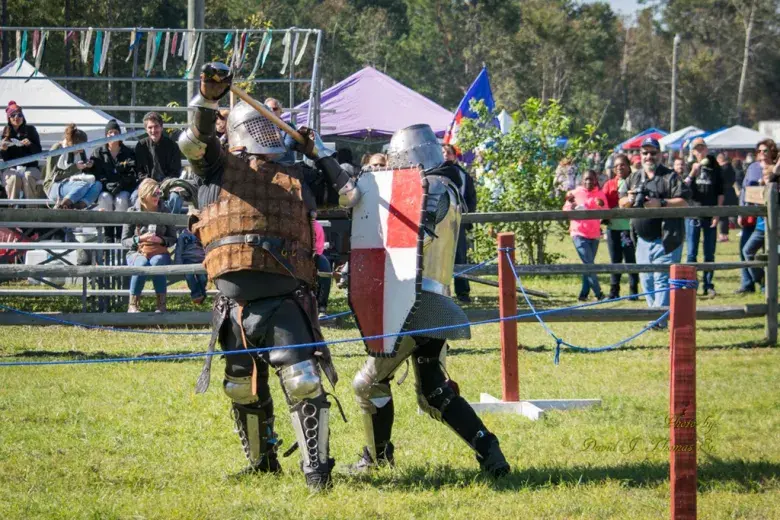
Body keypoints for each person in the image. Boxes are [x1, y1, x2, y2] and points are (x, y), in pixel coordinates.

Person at [177, 62, 361, 490]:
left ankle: (316, 471)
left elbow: (351, 194)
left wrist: (318, 153)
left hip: (284, 301)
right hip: (232, 304)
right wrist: (207, 97)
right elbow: (195, 140)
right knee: (240, 387)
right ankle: (262, 463)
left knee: (302, 380)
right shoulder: (218, 169)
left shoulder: (300, 175)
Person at [349, 124, 510, 478]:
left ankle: (375, 459)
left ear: (407, 157)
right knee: (433, 391)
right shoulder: (450, 184)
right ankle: (489, 449)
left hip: (413, 303)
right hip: (432, 300)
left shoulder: (433, 187)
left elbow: (413, 237)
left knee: (368, 383)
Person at [619, 137, 690, 330]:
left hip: (666, 238)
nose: (649, 156)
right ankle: (655, 316)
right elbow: (621, 201)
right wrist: (629, 199)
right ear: (640, 155)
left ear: (660, 155)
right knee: (646, 279)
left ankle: (659, 320)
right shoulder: (634, 177)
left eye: (653, 152)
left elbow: (684, 202)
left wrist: (662, 203)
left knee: (662, 278)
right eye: (645, 153)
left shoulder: (671, 176)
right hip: (641, 238)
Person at [121, 178, 176, 313]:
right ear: (144, 195)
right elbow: (124, 240)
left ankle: (161, 305)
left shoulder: (165, 211)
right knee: (141, 264)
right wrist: (139, 239)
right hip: (137, 251)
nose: (157, 197)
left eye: (159, 193)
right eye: (154, 194)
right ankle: (133, 305)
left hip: (160, 250)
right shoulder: (132, 211)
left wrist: (161, 240)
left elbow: (173, 238)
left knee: (157, 263)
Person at [684, 137, 724, 297]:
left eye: (702, 148)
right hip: (693, 214)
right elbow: (684, 188)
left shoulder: (715, 167)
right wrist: (693, 171)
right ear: (693, 152)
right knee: (691, 252)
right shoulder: (688, 166)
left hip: (710, 214)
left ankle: (708, 285)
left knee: (709, 253)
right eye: (697, 149)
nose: (700, 151)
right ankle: (690, 285)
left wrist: (717, 213)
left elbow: (721, 192)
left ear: (706, 150)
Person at [735, 140, 777, 294]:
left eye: (765, 150)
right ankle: (751, 283)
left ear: (772, 151)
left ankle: (766, 286)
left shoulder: (775, 168)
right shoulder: (752, 167)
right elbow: (745, 191)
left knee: (770, 253)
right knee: (745, 250)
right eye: (759, 151)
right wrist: (741, 211)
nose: (762, 154)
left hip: (772, 221)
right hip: (753, 217)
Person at [564, 170, 607, 301]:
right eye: (586, 179)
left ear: (596, 180)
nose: (589, 182)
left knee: (588, 264)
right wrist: (571, 204)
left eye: (591, 179)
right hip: (578, 233)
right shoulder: (575, 193)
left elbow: (606, 212)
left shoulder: (600, 194)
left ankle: (583, 293)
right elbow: (566, 210)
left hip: (594, 234)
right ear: (582, 180)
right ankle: (599, 294)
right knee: (589, 264)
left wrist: (601, 205)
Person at [442, 143, 477, 303]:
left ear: (454, 156)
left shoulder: (463, 175)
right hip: (438, 222)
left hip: (457, 222)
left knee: (460, 258)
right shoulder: (434, 173)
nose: (445, 155)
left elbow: (471, 199)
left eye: (448, 153)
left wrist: (465, 218)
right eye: (442, 152)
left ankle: (463, 293)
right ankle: (439, 294)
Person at [602, 154, 638, 300]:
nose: (619, 168)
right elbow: (602, 202)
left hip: (629, 227)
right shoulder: (609, 184)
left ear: (628, 166)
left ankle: (633, 292)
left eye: (622, 164)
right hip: (613, 228)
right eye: (616, 166)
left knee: (630, 260)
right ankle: (613, 292)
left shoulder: (635, 181)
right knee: (615, 260)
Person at [133, 112, 184, 213]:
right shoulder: (141, 146)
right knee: (134, 197)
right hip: (147, 185)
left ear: (161, 127)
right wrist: (151, 186)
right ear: (146, 129)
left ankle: (169, 227)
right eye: (150, 127)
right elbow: (139, 172)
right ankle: (142, 226)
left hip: (167, 185)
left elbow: (175, 172)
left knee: (176, 198)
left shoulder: (172, 146)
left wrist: (162, 185)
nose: (153, 130)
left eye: (156, 127)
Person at [43, 124, 103, 209]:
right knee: (83, 184)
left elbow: (83, 174)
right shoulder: (58, 148)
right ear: (71, 143)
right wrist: (75, 168)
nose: (82, 149)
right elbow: (53, 176)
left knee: (98, 184)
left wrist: (89, 166)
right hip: (54, 186)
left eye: (84, 145)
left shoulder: (81, 151)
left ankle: (76, 207)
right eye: (80, 145)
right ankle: (61, 207)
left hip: (76, 185)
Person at [1, 101, 43, 200]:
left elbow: (39, 152)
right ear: (9, 119)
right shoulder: (5, 131)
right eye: (13, 115)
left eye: (19, 115)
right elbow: (5, 159)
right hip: (11, 167)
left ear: (23, 117)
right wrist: (3, 150)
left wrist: (30, 145)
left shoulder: (31, 130)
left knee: (28, 176)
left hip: (30, 167)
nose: (17, 117)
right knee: (13, 178)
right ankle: (13, 207)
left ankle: (31, 208)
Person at [92, 119, 137, 213]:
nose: (113, 135)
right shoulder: (98, 152)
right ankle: (108, 227)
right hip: (104, 189)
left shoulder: (128, 152)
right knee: (105, 198)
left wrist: (121, 184)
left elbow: (132, 173)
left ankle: (121, 227)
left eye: (116, 132)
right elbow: (96, 173)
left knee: (122, 199)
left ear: (120, 135)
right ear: (106, 136)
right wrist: (106, 184)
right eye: (110, 132)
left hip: (123, 188)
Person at [312, 216, 331, 318]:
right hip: (295, 255)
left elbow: (319, 247)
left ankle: (321, 307)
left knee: (325, 272)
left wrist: (313, 256)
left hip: (314, 255)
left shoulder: (316, 226)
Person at [716, 152, 738, 242]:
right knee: (725, 215)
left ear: (720, 159)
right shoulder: (731, 168)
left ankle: (722, 235)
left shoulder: (722, 169)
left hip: (723, 193)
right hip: (730, 193)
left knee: (722, 215)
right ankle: (724, 234)